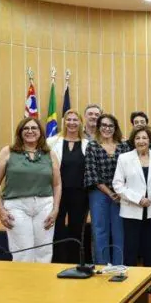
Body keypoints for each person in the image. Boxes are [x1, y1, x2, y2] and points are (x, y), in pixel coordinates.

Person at [0, 117, 61, 262]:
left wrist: (55, 209)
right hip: (16, 206)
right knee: (23, 252)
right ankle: (23, 284)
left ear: (40, 132)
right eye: (26, 128)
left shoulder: (50, 154)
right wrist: (1, 211)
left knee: (44, 251)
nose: (30, 131)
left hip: (44, 205)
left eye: (34, 128)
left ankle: (42, 284)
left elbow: (57, 184)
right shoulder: (8, 151)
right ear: (20, 132)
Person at [113, 125, 151, 294]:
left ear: (150, 140)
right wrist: (138, 199)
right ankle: (131, 283)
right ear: (133, 141)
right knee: (131, 249)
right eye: (137, 138)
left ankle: (148, 282)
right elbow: (117, 185)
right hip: (131, 211)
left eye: (144, 138)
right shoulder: (124, 158)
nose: (141, 141)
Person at [85, 114, 130, 265]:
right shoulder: (92, 146)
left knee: (119, 232)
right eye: (103, 125)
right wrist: (110, 193)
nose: (107, 128)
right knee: (100, 231)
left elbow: (130, 172)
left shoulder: (124, 146)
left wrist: (119, 192)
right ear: (98, 127)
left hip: (121, 194)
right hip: (99, 193)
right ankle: (102, 265)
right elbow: (92, 173)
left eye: (110, 126)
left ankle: (119, 266)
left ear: (115, 128)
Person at [47, 110, 89, 263]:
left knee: (76, 229)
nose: (72, 123)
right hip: (57, 193)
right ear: (64, 122)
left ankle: (75, 261)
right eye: (68, 120)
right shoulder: (51, 142)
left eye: (75, 120)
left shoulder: (87, 144)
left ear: (80, 123)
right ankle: (57, 261)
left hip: (80, 194)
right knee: (56, 228)